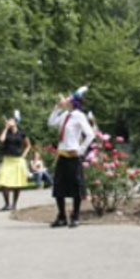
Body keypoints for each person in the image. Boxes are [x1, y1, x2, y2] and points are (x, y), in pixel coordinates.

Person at [47, 93, 95, 228]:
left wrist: (81, 150)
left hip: (73, 155)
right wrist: (57, 108)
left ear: (73, 102)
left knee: (75, 186)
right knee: (58, 187)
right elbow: (51, 123)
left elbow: (90, 134)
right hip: (62, 154)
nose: (64, 99)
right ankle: (61, 216)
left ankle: (75, 216)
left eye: (67, 98)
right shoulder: (64, 115)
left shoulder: (79, 115)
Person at [0, 116, 31, 211]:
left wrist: (24, 155)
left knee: (17, 183)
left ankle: (14, 204)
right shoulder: (6, 132)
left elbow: (28, 145)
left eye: (11, 120)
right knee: (2, 181)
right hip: (7, 160)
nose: (9, 121)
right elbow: (1, 140)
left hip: (18, 160)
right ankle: (7, 204)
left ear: (16, 122)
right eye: (8, 120)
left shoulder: (21, 133)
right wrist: (6, 128)